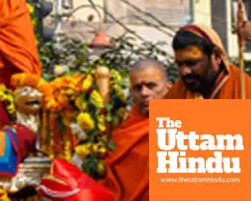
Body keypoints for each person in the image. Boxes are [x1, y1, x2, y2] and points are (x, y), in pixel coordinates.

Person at [100, 59, 170, 201]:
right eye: (138, 88)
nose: (144, 93)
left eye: (151, 86)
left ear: (168, 87)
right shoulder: (121, 133)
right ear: (131, 91)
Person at [164, 23, 251, 99]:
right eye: (179, 64)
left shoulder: (243, 89)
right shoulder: (181, 90)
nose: (184, 72)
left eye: (191, 63)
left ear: (217, 56)